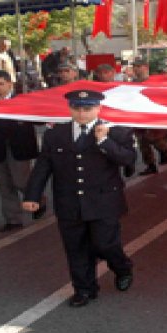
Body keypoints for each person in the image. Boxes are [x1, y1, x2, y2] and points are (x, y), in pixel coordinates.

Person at [22, 89, 135, 307]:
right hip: (69, 201)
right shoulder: (56, 134)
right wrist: (32, 195)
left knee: (105, 244)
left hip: (103, 201)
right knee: (76, 247)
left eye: (88, 109)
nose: (82, 114)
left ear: (98, 108)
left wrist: (104, 142)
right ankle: (84, 289)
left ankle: (122, 267)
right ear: (70, 108)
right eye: (77, 108)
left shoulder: (116, 131)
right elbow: (43, 166)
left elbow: (128, 158)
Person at [0, 70, 46, 232]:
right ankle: (13, 219)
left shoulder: (22, 101)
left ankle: (38, 199)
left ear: (10, 84)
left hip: (20, 148)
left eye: (0, 84)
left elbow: (40, 120)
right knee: (4, 185)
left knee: (21, 181)